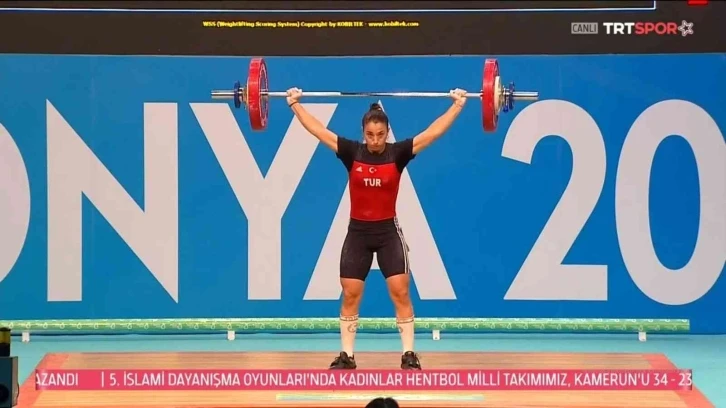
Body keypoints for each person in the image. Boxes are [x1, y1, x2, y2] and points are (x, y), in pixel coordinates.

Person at [286, 87, 467, 370]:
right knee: (350, 293)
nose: (375, 140)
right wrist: (294, 104)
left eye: (380, 134)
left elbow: (431, 134)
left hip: (387, 233)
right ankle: (347, 356)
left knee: (400, 292)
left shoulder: (397, 153)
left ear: (387, 132)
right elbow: (319, 131)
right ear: (363, 133)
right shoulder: (352, 152)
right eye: (370, 135)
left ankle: (409, 354)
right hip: (358, 233)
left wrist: (457, 106)